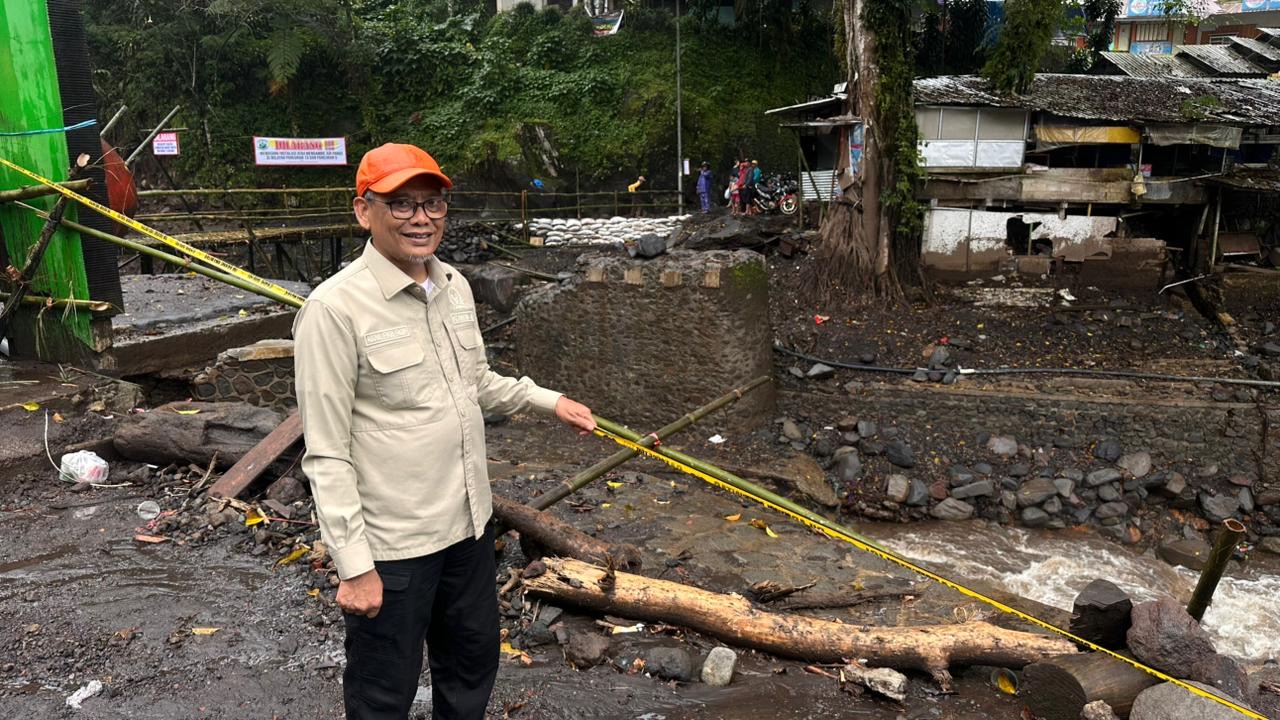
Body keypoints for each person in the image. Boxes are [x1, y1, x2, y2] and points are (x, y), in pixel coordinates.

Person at [293, 142, 596, 720]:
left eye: (432, 204)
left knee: (471, 666)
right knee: (384, 690)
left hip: (468, 528)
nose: (421, 218)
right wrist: (353, 565)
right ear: (364, 211)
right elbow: (326, 453)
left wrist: (547, 400)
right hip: (394, 547)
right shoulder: (334, 310)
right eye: (401, 204)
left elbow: (475, 381)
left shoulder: (452, 285)